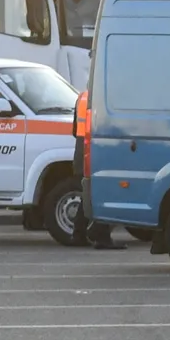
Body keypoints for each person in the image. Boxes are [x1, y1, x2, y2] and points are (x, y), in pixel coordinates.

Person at [71, 88, 124, 250]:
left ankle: (80, 234)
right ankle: (100, 234)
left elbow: (75, 130)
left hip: (82, 146)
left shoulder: (82, 96)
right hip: (95, 146)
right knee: (104, 191)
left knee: (90, 193)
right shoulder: (102, 97)